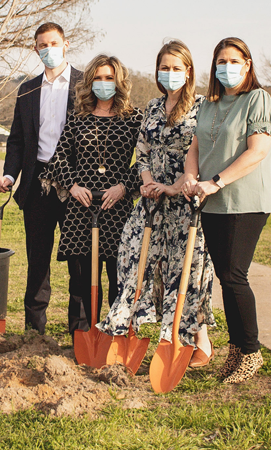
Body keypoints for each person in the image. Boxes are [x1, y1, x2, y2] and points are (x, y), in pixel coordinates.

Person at [96, 40, 216, 366]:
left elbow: (204, 154)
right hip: (151, 202)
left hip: (185, 204)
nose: (170, 73)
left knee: (186, 273)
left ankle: (198, 341)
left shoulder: (203, 107)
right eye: (165, 67)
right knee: (134, 265)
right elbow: (143, 149)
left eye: (177, 68)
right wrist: (148, 181)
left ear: (188, 71)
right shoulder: (151, 107)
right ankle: (126, 330)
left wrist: (174, 187)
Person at [183, 37, 271, 384]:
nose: (227, 67)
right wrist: (192, 177)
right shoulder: (208, 104)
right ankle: (236, 350)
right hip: (212, 204)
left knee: (235, 276)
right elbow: (195, 147)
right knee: (226, 277)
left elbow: (258, 150)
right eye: (221, 61)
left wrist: (217, 181)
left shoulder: (257, 99)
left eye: (234, 60)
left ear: (247, 64)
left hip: (244, 202)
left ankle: (251, 352)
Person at [38, 54, 143, 336]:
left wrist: (123, 187)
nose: (103, 83)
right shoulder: (77, 118)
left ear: (119, 82)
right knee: (82, 280)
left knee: (118, 277)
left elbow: (146, 161)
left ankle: (116, 335)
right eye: (98, 77)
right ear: (89, 82)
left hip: (117, 206)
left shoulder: (134, 119)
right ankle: (83, 338)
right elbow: (58, 158)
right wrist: (72, 185)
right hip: (80, 208)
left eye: (109, 78)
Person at [0, 22, 83, 334]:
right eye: (42, 45)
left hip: (75, 184)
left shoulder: (85, 84)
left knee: (78, 262)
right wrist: (9, 175)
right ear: (35, 48)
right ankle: (34, 330)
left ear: (65, 44)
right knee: (37, 259)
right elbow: (17, 141)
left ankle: (80, 332)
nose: (48, 49)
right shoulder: (27, 89)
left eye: (54, 43)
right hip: (37, 182)